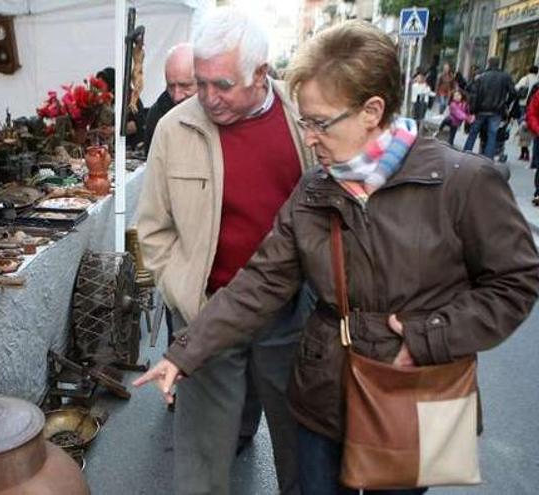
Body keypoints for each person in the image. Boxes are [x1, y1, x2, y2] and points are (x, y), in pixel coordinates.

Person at [135, 20, 539, 495]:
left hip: (413, 389)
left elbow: (515, 281)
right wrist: (185, 351)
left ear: (373, 110)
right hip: (323, 391)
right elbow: (261, 281)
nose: (307, 138)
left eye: (319, 123)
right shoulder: (314, 189)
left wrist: (431, 336)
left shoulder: (463, 181)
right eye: (304, 121)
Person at [135, 6, 315, 495]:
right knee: (201, 458)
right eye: (200, 82)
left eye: (222, 85)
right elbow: (152, 230)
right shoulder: (175, 130)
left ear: (260, 74)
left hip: (289, 316)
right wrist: (188, 298)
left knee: (301, 447)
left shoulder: (303, 122)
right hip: (208, 314)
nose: (207, 98)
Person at [144, 43, 198, 151]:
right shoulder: (157, 116)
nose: (176, 96)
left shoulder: (220, 111)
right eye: (171, 86)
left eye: (185, 86)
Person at [463, 57, 517, 157]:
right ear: (498, 64)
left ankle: (466, 153)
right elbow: (513, 93)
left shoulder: (482, 76)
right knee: (492, 135)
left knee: (473, 133)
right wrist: (506, 104)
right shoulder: (505, 77)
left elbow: (472, 93)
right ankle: (488, 158)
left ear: (488, 63)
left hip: (481, 110)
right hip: (496, 110)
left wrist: (472, 110)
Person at [515, 65, 538, 160]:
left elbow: (516, 88)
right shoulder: (537, 80)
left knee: (523, 129)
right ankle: (527, 151)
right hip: (531, 107)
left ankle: (524, 151)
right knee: (528, 130)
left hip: (523, 104)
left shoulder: (525, 79)